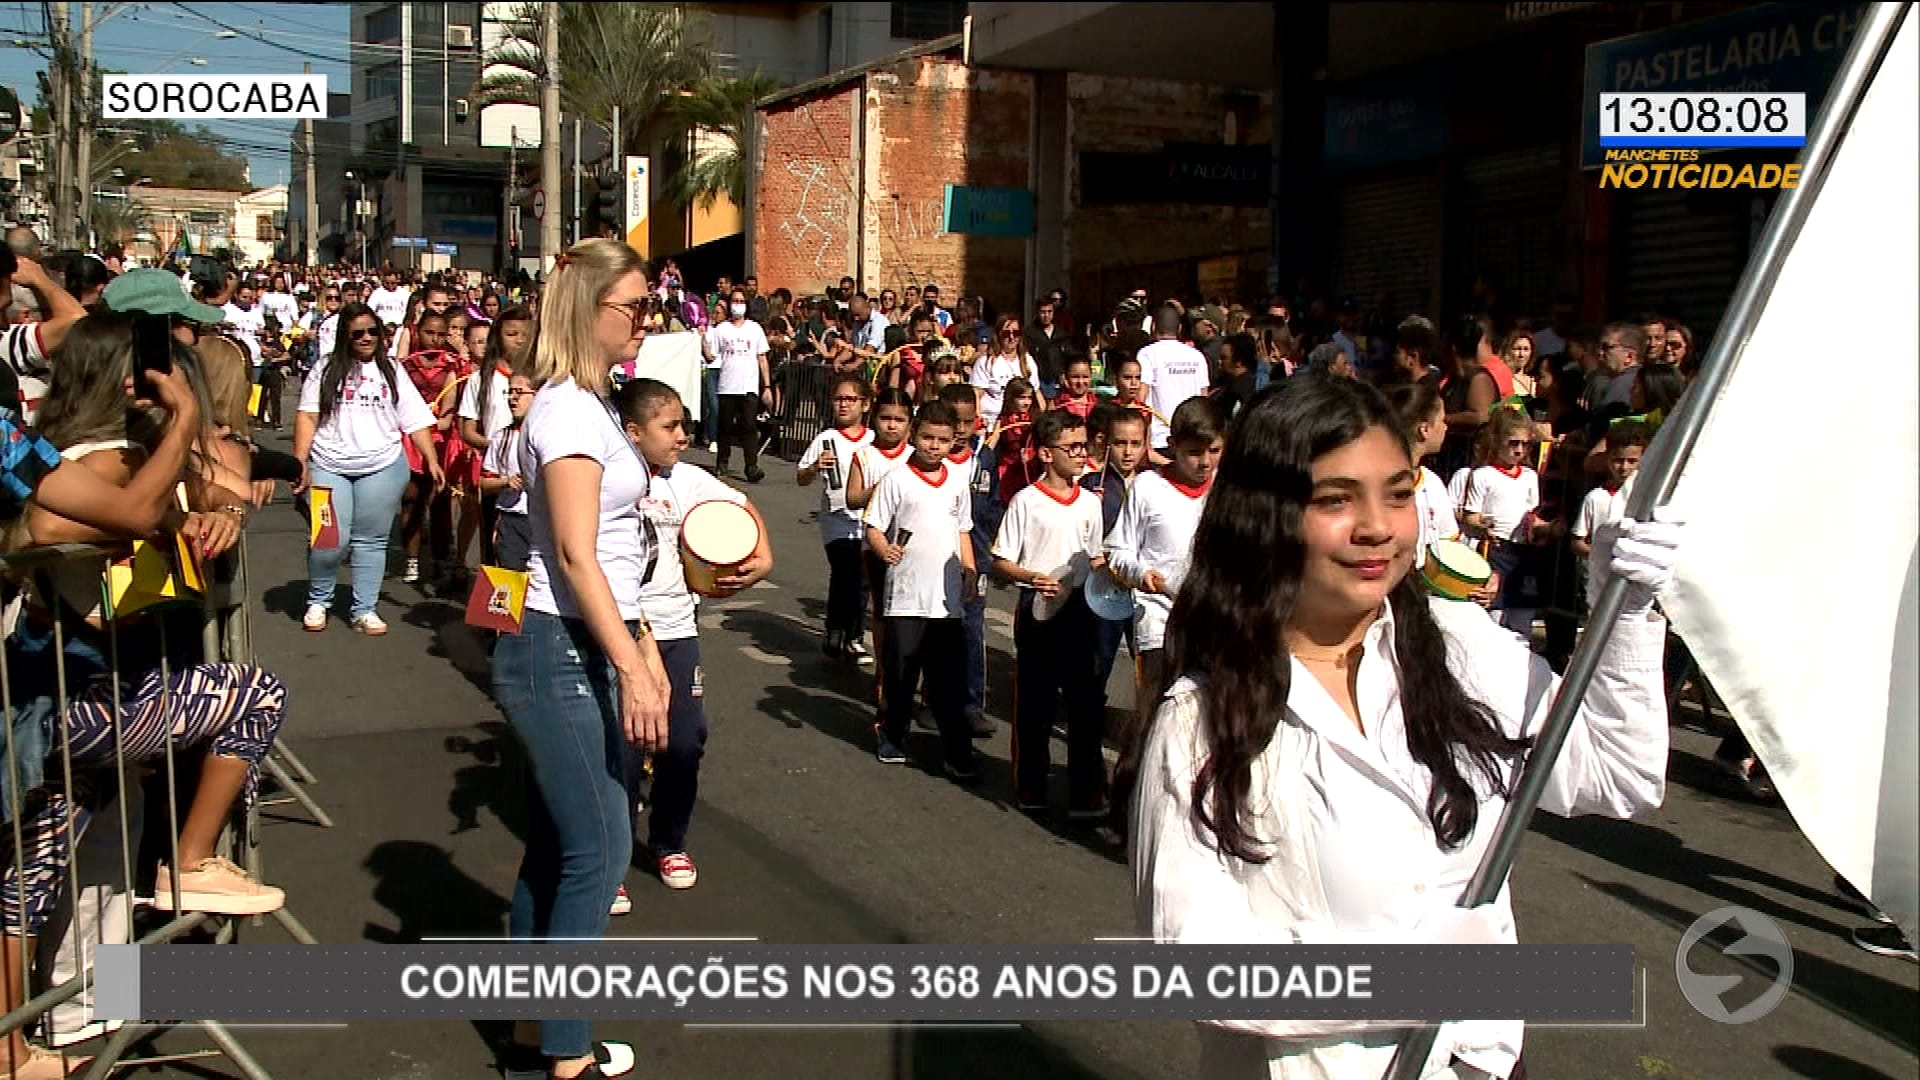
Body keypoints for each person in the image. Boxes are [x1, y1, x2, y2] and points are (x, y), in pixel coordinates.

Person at [1125, 373, 1682, 1079]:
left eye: (1398, 492)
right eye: (1336, 499)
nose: (1378, 527)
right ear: (1265, 515)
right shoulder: (1203, 718)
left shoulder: (1457, 644)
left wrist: (1627, 611)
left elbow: (1619, 776)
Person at [489, 240, 670, 1080]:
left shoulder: (589, 406)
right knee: (597, 850)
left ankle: (536, 1029)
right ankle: (567, 1053)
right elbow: (570, 550)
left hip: (577, 639)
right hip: (554, 645)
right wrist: (631, 661)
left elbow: (610, 545)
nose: (645, 317)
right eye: (632, 304)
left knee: (560, 847)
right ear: (588, 307)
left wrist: (643, 645)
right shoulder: (566, 411)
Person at [616, 379, 771, 896]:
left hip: (678, 632)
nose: (684, 436)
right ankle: (609, 859)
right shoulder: (610, 479)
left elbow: (743, 508)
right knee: (618, 745)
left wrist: (762, 558)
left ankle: (668, 841)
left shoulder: (691, 480)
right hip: (619, 632)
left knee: (683, 742)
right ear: (634, 432)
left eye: (685, 424)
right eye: (671, 426)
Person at [292, 302, 444, 634]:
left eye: (372, 331)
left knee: (371, 541)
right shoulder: (325, 369)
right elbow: (307, 415)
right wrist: (300, 461)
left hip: (382, 465)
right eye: (357, 332)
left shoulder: (392, 369)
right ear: (345, 336)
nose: (366, 338)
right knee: (328, 538)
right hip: (329, 464)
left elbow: (415, 420)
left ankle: (365, 608)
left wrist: (431, 459)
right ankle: (319, 599)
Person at [991, 409, 1108, 818]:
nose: (1081, 455)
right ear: (1045, 453)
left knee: (1085, 703)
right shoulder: (1026, 502)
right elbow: (1001, 561)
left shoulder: (1091, 504)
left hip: (1080, 610)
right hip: (1038, 609)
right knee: (1035, 703)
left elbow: (1094, 558)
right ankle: (1031, 785)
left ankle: (1087, 792)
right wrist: (1032, 576)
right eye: (1071, 447)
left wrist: (1107, 577)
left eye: (1084, 446)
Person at [862, 398, 981, 777]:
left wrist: (970, 571)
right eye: (927, 437)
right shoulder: (897, 479)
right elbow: (873, 526)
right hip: (907, 596)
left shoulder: (958, 482)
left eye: (943, 440)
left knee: (948, 682)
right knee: (901, 676)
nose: (934, 446)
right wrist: (884, 550)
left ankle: (957, 753)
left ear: (954, 441)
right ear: (914, 435)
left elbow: (963, 530)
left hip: (946, 600)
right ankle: (893, 736)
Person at [1104, 397, 1223, 736]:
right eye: (1194, 452)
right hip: (1159, 621)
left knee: (1204, 723)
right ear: (1172, 446)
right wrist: (1140, 575)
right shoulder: (1147, 487)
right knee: (1156, 721)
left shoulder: (1226, 491)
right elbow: (1117, 550)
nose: (1205, 463)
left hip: (1213, 623)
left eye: (1213, 451)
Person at [798, 375, 876, 659]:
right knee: (846, 573)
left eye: (850, 399)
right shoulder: (826, 439)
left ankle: (849, 634)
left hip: (866, 520)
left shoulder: (873, 439)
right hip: (836, 518)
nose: (843, 405)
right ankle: (839, 632)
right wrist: (815, 467)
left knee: (861, 580)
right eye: (838, 399)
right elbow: (801, 477)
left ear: (865, 405)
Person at [1460, 407, 1545, 638]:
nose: (1519, 450)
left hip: (1523, 553)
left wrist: (1546, 527)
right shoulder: (1483, 475)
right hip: (1494, 551)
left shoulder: (1529, 476)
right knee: (1491, 619)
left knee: (1521, 620)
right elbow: (1470, 517)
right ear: (1497, 440)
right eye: (1513, 443)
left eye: (1526, 444)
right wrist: (1482, 524)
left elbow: (1531, 515)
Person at [461, 305, 533, 564]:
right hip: (496, 476)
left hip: (534, 479)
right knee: (496, 550)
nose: (519, 340)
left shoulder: (542, 378)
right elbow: (467, 429)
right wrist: (498, 446)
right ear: (498, 337)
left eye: (525, 334)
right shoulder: (480, 379)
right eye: (512, 334)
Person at [709, 287, 771, 484]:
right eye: (734, 301)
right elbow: (712, 355)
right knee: (725, 427)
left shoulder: (754, 329)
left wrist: (767, 386)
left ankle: (751, 466)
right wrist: (703, 341)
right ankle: (722, 462)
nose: (738, 304)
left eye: (741, 301)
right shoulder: (722, 330)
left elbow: (762, 358)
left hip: (748, 386)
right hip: (727, 385)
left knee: (749, 427)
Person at [1137, 305, 1211, 453]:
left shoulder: (1147, 354)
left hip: (1160, 441)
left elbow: (1140, 398)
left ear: (1153, 327)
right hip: (1193, 438)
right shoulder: (1197, 356)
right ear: (1179, 328)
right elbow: (1204, 399)